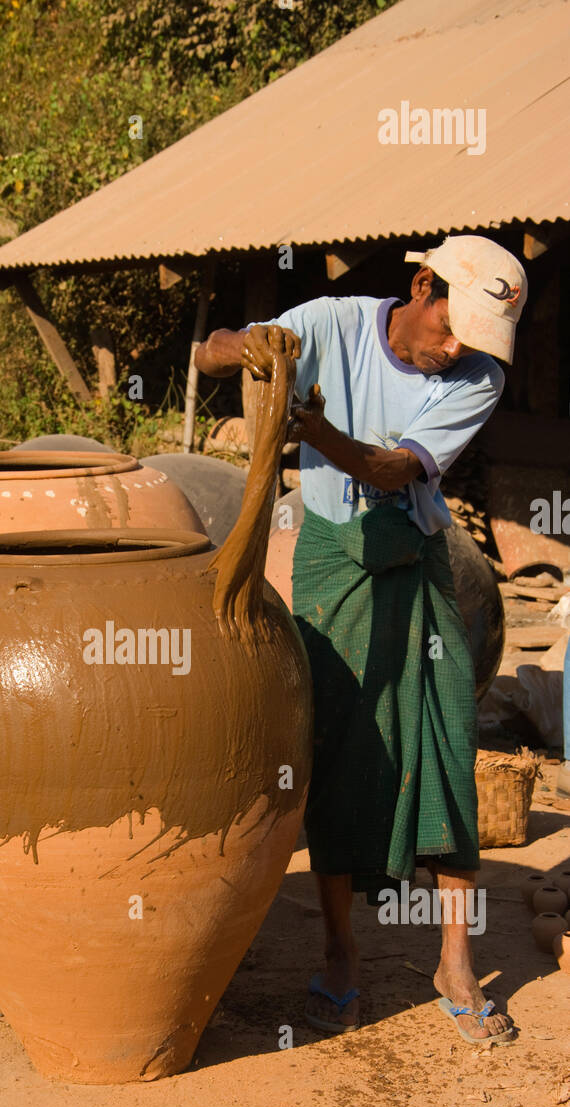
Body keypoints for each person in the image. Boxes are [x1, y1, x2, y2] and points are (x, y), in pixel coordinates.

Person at [195, 235, 527, 1043]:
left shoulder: (478, 376)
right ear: (421, 286)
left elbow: (388, 471)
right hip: (330, 555)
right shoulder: (335, 324)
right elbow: (210, 354)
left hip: (417, 556)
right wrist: (256, 347)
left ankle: (454, 956)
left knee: (449, 740)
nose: (457, 352)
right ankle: (341, 952)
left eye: (476, 343)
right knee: (339, 747)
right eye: (451, 329)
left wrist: (313, 426)